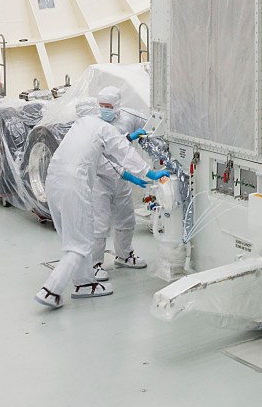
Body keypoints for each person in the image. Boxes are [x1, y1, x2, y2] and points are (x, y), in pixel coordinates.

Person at [34, 99, 167, 309]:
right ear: (97, 109)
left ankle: (85, 283)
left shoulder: (77, 129)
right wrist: (150, 172)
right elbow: (124, 152)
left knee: (71, 239)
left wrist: (129, 176)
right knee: (80, 242)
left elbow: (101, 159)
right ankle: (50, 290)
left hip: (53, 181)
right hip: (73, 185)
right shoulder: (101, 127)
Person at [94, 86, 154, 271]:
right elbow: (109, 147)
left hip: (121, 180)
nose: (104, 109)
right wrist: (128, 137)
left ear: (117, 105)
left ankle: (124, 255)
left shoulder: (128, 117)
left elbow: (151, 125)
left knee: (126, 218)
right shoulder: (94, 121)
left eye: (108, 106)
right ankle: (94, 264)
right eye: (101, 105)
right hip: (100, 179)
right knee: (99, 223)